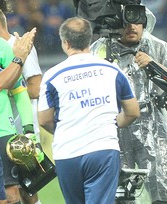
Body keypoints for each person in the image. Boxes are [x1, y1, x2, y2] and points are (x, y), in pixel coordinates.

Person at [38, 18, 140, 204]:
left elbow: (44, 119)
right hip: (102, 150)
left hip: (67, 152)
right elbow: (133, 111)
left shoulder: (52, 75)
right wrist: (111, 124)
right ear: (89, 40)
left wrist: (66, 129)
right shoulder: (112, 70)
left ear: (65, 42)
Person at [90, 11, 167, 204]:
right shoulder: (100, 50)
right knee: (120, 191)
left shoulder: (158, 48)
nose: (132, 27)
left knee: (161, 187)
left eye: (137, 22)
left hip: (153, 125)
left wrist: (153, 65)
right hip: (116, 126)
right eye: (126, 22)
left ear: (145, 24)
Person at [0, 6, 37, 204]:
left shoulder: (0, 47)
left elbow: (19, 90)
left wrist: (28, 128)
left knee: (9, 195)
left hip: (0, 131)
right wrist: (20, 57)